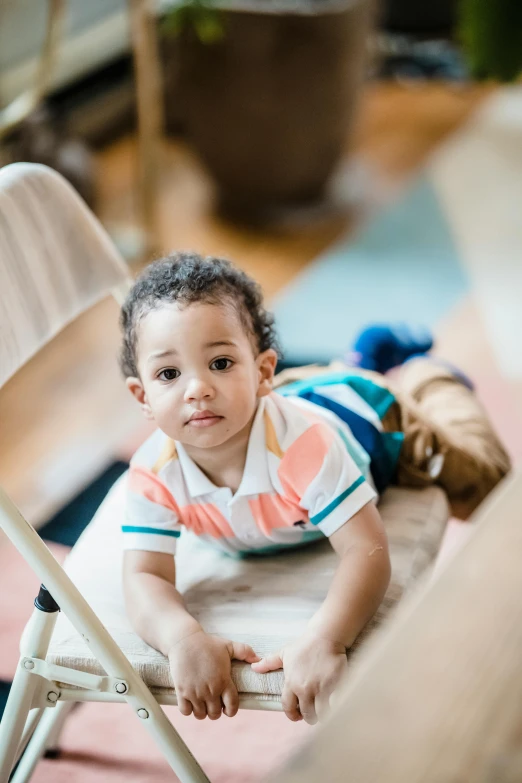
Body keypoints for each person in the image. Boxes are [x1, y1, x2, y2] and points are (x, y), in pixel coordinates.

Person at [119, 252, 510, 726]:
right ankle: (367, 352)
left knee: (486, 483)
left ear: (262, 372)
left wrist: (326, 638)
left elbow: (367, 547)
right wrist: (181, 637)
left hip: (373, 418)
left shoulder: (304, 451)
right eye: (168, 374)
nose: (197, 388)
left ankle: (429, 375)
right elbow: (144, 576)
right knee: (301, 390)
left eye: (220, 362)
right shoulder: (152, 472)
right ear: (142, 396)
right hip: (286, 402)